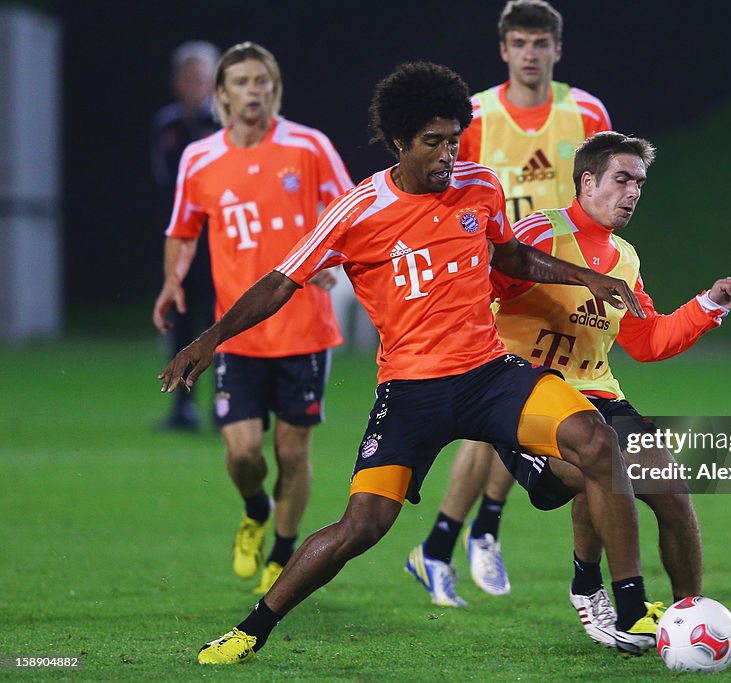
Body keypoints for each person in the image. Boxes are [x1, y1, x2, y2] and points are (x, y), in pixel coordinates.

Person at [160, 61, 663, 664]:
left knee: (598, 442)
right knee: (362, 526)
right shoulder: (357, 209)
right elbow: (278, 282)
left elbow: (511, 258)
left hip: (488, 375)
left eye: (453, 139)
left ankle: (631, 609)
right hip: (412, 391)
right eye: (432, 142)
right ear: (400, 141)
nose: (447, 154)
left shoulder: (479, 186)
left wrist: (587, 277)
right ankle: (252, 628)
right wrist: (209, 338)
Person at [488, 131, 731, 645]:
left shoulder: (625, 258)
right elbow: (482, 291)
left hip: (600, 394)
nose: (632, 192)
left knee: (671, 489)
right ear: (587, 182)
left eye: (640, 183)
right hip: (528, 398)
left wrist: (709, 304)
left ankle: (688, 619)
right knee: (600, 466)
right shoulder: (540, 234)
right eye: (622, 179)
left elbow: (647, 340)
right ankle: (593, 589)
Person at [409, 0, 613, 604]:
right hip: (492, 287)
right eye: (519, 43)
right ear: (504, 49)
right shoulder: (475, 116)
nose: (530, 53)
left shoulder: (587, 112)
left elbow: (607, 187)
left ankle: (452, 542)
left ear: (556, 48)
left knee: (513, 415)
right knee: (502, 409)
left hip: (564, 290)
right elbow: (447, 194)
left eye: (540, 42)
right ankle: (469, 536)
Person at [152, 42, 354, 595]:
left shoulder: (308, 145)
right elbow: (182, 229)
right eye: (240, 81)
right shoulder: (200, 158)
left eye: (262, 80)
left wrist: (330, 257)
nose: (253, 90)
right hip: (235, 334)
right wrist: (173, 280)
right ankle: (254, 509)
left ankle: (284, 553)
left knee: (292, 452)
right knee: (243, 454)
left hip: (304, 329)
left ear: (274, 88)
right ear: (222, 93)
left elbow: (352, 209)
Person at [150, 40, 221, 430]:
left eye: (201, 76)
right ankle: (182, 406)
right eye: (188, 76)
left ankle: (225, 405)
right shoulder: (168, 124)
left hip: (222, 240)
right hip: (183, 239)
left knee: (224, 320)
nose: (194, 84)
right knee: (181, 320)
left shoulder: (226, 124)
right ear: (177, 82)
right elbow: (168, 181)